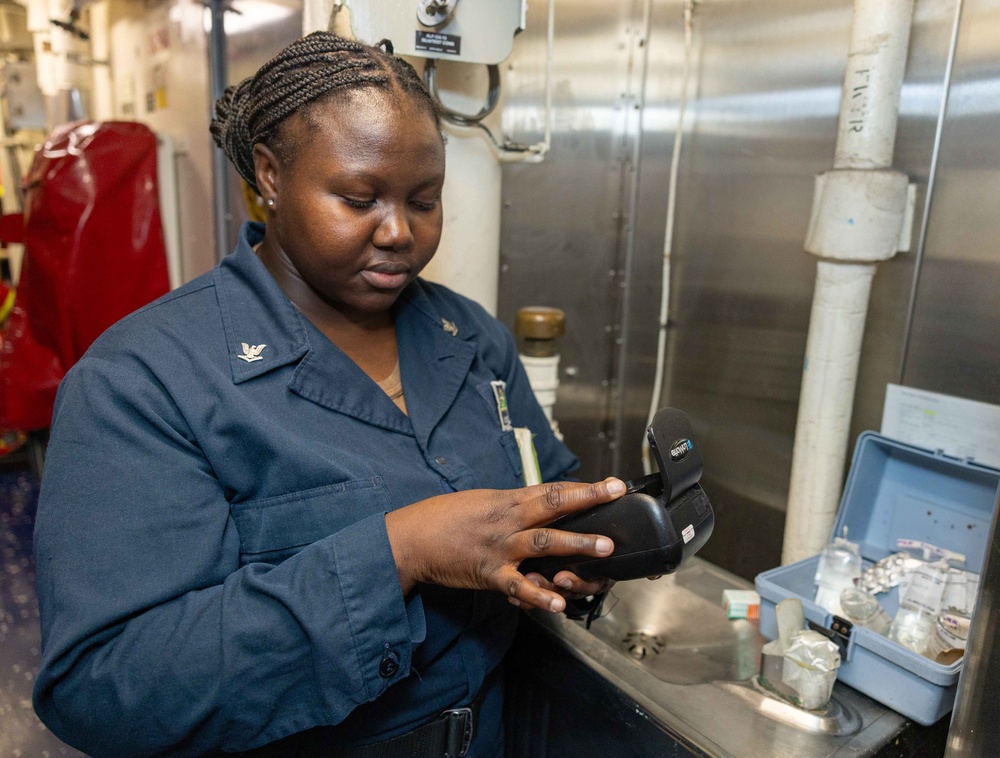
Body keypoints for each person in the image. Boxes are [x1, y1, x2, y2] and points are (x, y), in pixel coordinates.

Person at [32, 32, 623, 757]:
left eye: (425, 200)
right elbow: (105, 688)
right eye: (357, 198)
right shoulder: (146, 381)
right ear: (271, 176)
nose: (400, 232)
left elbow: (542, 487)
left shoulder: (468, 338)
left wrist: (585, 548)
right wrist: (399, 552)